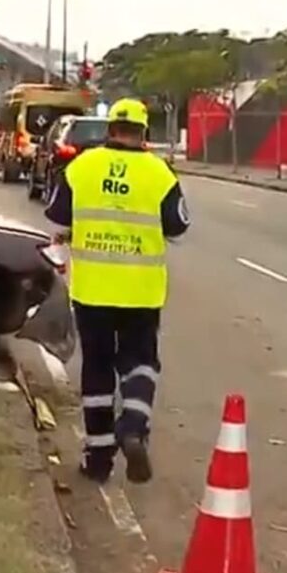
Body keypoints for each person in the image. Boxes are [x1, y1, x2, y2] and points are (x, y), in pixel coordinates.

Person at [44, 98, 190, 484]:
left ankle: (98, 459)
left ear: (110, 130)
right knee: (140, 362)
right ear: (145, 134)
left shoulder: (82, 167)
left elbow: (57, 214)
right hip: (141, 291)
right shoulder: (160, 173)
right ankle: (134, 426)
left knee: (97, 370)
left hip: (92, 290)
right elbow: (177, 227)